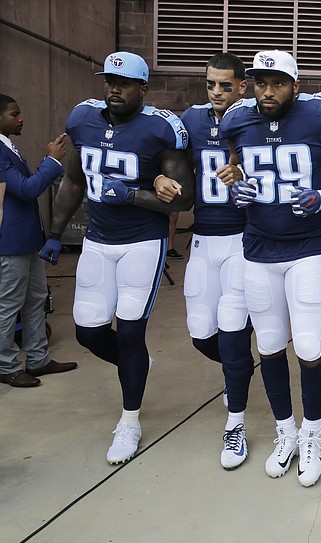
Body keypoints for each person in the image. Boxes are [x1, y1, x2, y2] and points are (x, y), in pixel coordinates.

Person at [220, 49, 321, 487]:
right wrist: (236, 187)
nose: (268, 91)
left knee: (308, 349)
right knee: (268, 347)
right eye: (261, 82)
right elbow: (234, 166)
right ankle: (286, 432)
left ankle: (312, 432)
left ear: (295, 85)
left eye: (278, 82)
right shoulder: (237, 119)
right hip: (257, 249)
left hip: (304, 250)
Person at [41, 52, 195, 463]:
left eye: (124, 82)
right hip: (97, 239)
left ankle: (129, 420)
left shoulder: (161, 128)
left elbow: (185, 197)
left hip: (142, 242)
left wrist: (134, 194)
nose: (114, 88)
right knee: (88, 332)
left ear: (143, 89)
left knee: (129, 333)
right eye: (109, 80)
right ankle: (137, 366)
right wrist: (56, 233)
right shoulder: (82, 118)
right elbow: (74, 180)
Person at [157, 52, 254, 470]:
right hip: (202, 240)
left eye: (225, 85)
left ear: (242, 86)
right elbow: (161, 159)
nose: (216, 91)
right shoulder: (191, 120)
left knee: (232, 332)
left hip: (241, 240)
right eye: (211, 83)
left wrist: (247, 178)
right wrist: (158, 178)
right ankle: (242, 369)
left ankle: (235, 422)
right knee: (200, 333)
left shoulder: (256, 116)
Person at [0, 94, 77, 388]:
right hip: (10, 243)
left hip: (26, 240)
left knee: (35, 300)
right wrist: (50, 161)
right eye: (14, 114)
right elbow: (26, 190)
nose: (21, 119)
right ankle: (6, 365)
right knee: (9, 304)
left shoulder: (9, 148)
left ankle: (38, 359)